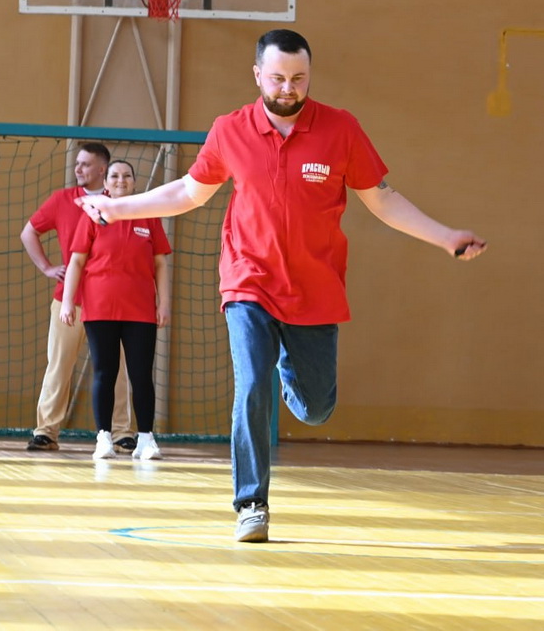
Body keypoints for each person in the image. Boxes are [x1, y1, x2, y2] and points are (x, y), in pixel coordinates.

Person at [75, 29, 486, 542]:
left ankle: (287, 364)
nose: (288, 88)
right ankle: (251, 504)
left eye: (298, 78)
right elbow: (188, 193)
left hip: (315, 289)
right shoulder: (230, 130)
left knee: (316, 408)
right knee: (251, 384)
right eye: (277, 78)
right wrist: (117, 210)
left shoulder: (340, 129)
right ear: (257, 76)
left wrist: (445, 236)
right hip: (248, 281)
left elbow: (382, 199)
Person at [20, 142, 135, 453]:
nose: (78, 169)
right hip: (67, 301)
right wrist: (46, 267)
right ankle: (46, 432)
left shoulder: (122, 205)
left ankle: (122, 433)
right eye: (77, 163)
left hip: (112, 304)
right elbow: (28, 232)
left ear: (102, 169)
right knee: (58, 365)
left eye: (85, 164)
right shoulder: (62, 200)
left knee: (118, 370)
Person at [60, 160, 172, 462]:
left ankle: (146, 439)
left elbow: (160, 263)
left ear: (134, 182)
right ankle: (103, 438)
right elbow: (76, 261)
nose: (121, 180)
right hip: (100, 308)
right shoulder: (93, 215)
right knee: (104, 372)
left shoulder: (148, 215)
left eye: (127, 176)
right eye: (114, 176)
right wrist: (68, 301)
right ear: (106, 183)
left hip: (141, 310)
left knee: (141, 374)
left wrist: (163, 303)